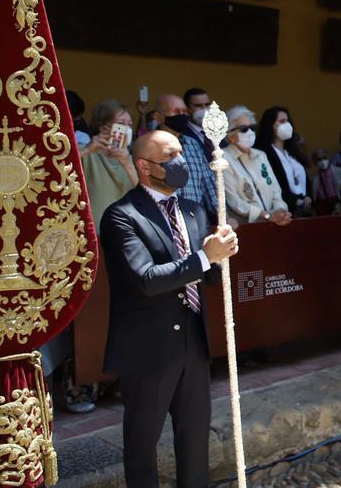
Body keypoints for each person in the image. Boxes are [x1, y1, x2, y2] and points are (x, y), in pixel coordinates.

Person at [99, 130, 238, 487]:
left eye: (181, 154)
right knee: (142, 442)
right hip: (148, 346)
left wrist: (221, 256)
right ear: (145, 167)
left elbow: (204, 276)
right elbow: (146, 279)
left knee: (194, 436)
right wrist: (205, 257)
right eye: (170, 157)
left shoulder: (192, 210)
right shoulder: (122, 216)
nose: (180, 163)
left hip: (193, 339)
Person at [220, 106, 292, 226]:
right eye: (243, 129)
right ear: (229, 134)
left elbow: (276, 190)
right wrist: (267, 216)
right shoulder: (223, 158)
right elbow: (234, 202)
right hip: (248, 228)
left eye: (252, 128)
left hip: (275, 223)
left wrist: (280, 211)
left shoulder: (261, 155)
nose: (250, 133)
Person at [80, 99, 140, 227]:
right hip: (92, 233)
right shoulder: (85, 152)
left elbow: (144, 194)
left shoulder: (134, 158)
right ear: (103, 128)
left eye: (130, 124)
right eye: (120, 124)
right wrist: (87, 150)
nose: (127, 129)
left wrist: (127, 162)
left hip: (125, 231)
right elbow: (59, 168)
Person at [152, 94, 218, 211]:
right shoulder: (148, 146)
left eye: (184, 111)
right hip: (165, 217)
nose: (182, 115)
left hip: (196, 218)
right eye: (176, 112)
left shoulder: (193, 144)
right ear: (158, 117)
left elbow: (207, 183)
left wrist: (222, 214)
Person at [255, 106, 313, 216]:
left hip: (306, 210)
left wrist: (308, 199)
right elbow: (272, 184)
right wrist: (296, 201)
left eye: (288, 121)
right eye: (282, 121)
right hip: (284, 212)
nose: (287, 125)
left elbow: (305, 178)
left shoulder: (293, 151)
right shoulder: (264, 153)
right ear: (270, 125)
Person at [310, 148, 340, 215]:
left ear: (328, 158)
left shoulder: (340, 172)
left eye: (324, 158)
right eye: (319, 159)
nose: (322, 161)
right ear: (315, 162)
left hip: (337, 203)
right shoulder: (313, 178)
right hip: (321, 205)